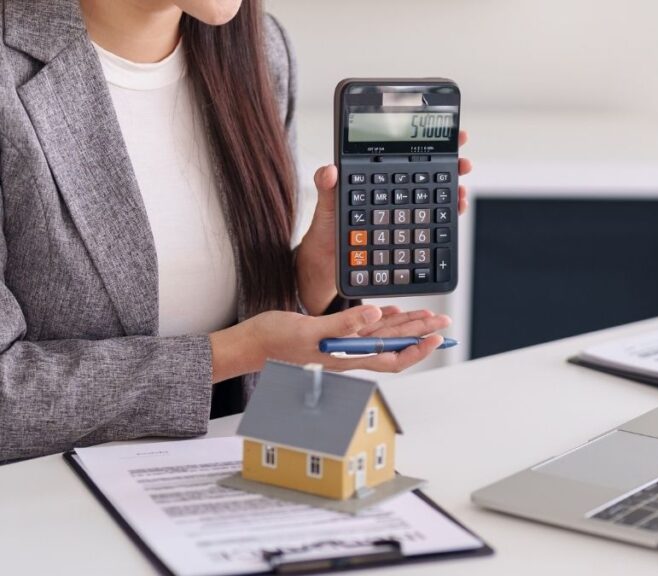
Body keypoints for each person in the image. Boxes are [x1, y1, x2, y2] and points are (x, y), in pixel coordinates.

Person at [0, 0, 470, 462]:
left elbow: (260, 320)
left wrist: (315, 273)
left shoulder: (261, 48)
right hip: (48, 503)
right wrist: (240, 350)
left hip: (230, 476)